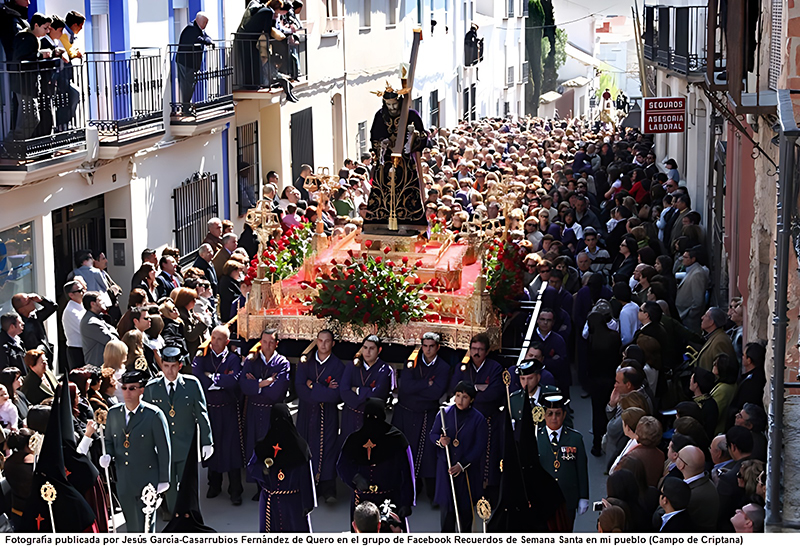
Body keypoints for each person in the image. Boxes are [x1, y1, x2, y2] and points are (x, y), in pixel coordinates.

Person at [144, 347, 213, 516]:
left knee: (187, 482)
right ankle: (174, 514)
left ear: (180, 365)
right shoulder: (152, 387)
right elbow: (146, 420)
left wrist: (207, 441)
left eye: (173, 366)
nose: (169, 370)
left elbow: (201, 413)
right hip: (162, 446)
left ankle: (189, 514)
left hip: (186, 444)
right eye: (166, 366)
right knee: (167, 483)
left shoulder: (191, 384)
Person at [99, 370, 171, 533]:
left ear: (142, 390)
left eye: (132, 388)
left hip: (147, 479)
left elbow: (164, 448)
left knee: (146, 525)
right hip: (124, 479)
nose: (127, 393)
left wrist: (164, 479)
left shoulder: (153, 414)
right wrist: (107, 455)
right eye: (124, 388)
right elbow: (109, 440)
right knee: (131, 525)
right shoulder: (114, 413)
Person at [392, 332, 450, 503]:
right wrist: (426, 384)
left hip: (427, 415)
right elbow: (405, 387)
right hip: (407, 412)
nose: (428, 349)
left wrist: (417, 390)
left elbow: (436, 393)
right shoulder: (412, 363)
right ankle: (409, 488)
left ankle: (432, 492)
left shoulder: (444, 367)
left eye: (431, 346)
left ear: (437, 347)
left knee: (428, 455)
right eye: (425, 346)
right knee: (407, 450)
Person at [448, 332, 504, 503]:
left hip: (488, 419)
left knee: (487, 459)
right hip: (465, 420)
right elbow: (453, 389)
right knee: (466, 455)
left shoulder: (495, 368)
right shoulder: (462, 367)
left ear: (486, 351)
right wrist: (478, 388)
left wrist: (468, 394)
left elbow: (493, 394)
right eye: (473, 349)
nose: (476, 353)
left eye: (480, 349)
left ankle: (487, 496)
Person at [337, 398, 415, 522]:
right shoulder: (354, 440)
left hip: (390, 500)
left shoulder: (396, 439)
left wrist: (406, 502)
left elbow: (407, 472)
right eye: (369, 417)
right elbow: (342, 465)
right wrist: (355, 477)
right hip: (362, 502)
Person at [365, 82, 429, 225]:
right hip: (386, 161)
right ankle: (380, 219)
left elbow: (424, 136)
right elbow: (374, 136)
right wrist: (382, 144)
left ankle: (411, 219)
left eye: (394, 104)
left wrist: (412, 138)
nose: (392, 108)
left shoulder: (411, 114)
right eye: (389, 105)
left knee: (408, 189)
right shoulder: (380, 115)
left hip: (406, 160)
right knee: (383, 189)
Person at [192, 325, 244, 505]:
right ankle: (214, 484)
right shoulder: (202, 357)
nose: (214, 342)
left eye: (219, 339)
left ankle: (235, 489)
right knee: (211, 444)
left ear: (227, 342)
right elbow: (198, 375)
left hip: (228, 409)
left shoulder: (233, 359)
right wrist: (221, 379)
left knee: (231, 448)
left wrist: (213, 378)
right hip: (210, 409)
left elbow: (235, 379)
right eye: (213, 338)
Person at [247, 402, 316, 531]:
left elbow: (306, 477)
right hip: (275, 502)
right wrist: (263, 471)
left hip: (291, 504)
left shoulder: (300, 448)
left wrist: (307, 503)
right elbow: (252, 467)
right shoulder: (263, 446)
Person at [294, 329, 344, 503]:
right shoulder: (305, 363)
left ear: (333, 343)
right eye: (320, 341)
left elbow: (335, 396)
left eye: (327, 341)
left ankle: (328, 488)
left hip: (327, 414)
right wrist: (322, 390)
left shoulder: (338, 366)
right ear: (316, 341)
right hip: (307, 412)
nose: (323, 345)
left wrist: (312, 386)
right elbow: (299, 388)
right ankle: (307, 486)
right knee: (305, 446)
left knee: (328, 448)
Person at [239, 328, 291, 495]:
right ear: (260, 342)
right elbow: (244, 386)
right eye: (265, 341)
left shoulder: (283, 363)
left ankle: (272, 484)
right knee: (255, 447)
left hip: (272, 413)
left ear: (276, 343)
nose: (267, 346)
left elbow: (277, 392)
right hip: (254, 412)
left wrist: (256, 386)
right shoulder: (251, 361)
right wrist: (264, 383)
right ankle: (258, 486)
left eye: (271, 342)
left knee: (273, 448)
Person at [537, 392, 589, 530]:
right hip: (543, 499)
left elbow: (581, 469)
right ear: (544, 415)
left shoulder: (575, 439)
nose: (554, 418)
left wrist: (584, 496)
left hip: (568, 499)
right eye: (550, 413)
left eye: (558, 413)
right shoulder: (535, 439)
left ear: (564, 415)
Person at [340, 335, 393, 441]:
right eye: (365, 348)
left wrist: (357, 390)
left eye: (371, 348)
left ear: (379, 350)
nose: (367, 352)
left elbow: (377, 394)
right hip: (350, 415)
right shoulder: (351, 366)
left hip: (372, 418)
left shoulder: (385, 370)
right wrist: (361, 398)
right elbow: (343, 391)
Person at [676, 445, 719, 531]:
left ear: (681, 465)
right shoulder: (708, 483)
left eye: (678, 456)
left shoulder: (689, 496)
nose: (675, 458)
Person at [176, 12, 212, 114]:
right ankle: (186, 108)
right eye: (205, 22)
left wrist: (208, 40)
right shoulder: (191, 29)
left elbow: (205, 37)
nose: (206, 24)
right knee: (187, 85)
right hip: (186, 63)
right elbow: (200, 39)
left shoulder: (198, 29)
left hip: (191, 64)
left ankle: (187, 106)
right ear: (200, 21)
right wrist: (207, 41)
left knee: (190, 85)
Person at [530, 309, 570, 398]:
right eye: (542, 319)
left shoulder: (558, 340)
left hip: (554, 378)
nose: (545, 323)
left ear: (553, 322)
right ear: (537, 320)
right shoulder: (529, 337)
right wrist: (550, 360)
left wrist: (540, 361)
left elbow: (560, 362)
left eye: (548, 320)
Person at [11, 292, 57, 364]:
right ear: (21, 310)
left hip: (46, 356)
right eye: (29, 302)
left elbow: (53, 307)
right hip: (33, 361)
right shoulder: (18, 324)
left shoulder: (35, 316)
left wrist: (40, 299)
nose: (32, 302)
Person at [80, 291, 120, 367]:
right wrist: (113, 330)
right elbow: (113, 341)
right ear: (93, 304)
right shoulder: (91, 322)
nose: (103, 302)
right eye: (100, 300)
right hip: (98, 367)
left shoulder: (97, 318)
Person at [675, 247, 709, 333]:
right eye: (683, 256)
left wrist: (691, 314)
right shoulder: (692, 270)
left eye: (686, 257)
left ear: (693, 259)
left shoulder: (697, 274)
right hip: (684, 314)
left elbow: (698, 300)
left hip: (689, 317)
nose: (683, 259)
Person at [62, 279, 87, 370]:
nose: (84, 292)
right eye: (80, 290)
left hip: (84, 348)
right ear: (71, 295)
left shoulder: (81, 306)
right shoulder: (71, 311)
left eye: (84, 289)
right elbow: (84, 329)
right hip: (77, 351)